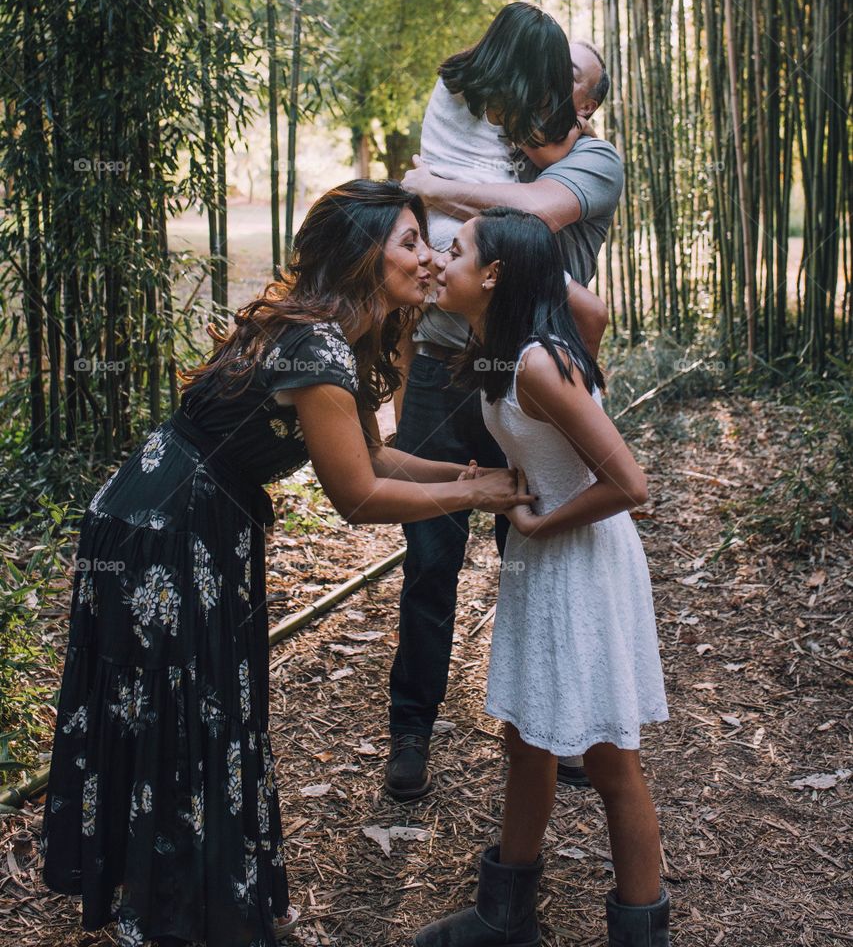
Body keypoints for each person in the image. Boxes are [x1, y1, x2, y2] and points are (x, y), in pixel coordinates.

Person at [39, 180, 532, 947]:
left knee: (196, 710)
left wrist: (473, 482)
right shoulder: (316, 344)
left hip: (175, 514)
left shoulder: (329, 329)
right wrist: (481, 491)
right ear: (362, 255)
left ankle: (192, 897)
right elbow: (360, 497)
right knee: (186, 712)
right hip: (166, 528)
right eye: (409, 242)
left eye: (426, 242)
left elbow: (374, 451)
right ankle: (181, 912)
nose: (428, 257)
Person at [415, 207, 670, 947]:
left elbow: (628, 483)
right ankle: (505, 914)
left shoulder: (534, 361)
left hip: (578, 561)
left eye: (453, 250)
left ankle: (640, 934)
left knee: (607, 757)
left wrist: (532, 521)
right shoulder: (501, 346)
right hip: (547, 559)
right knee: (525, 736)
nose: (440, 259)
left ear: (492, 275)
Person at [385, 5, 622, 801]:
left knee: (533, 554)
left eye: (563, 85)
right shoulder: (494, 133)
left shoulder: (592, 164)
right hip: (445, 366)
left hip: (525, 379)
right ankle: (410, 730)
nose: (541, 98)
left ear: (580, 105)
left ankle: (557, 728)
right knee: (429, 554)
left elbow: (531, 220)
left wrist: (438, 185)